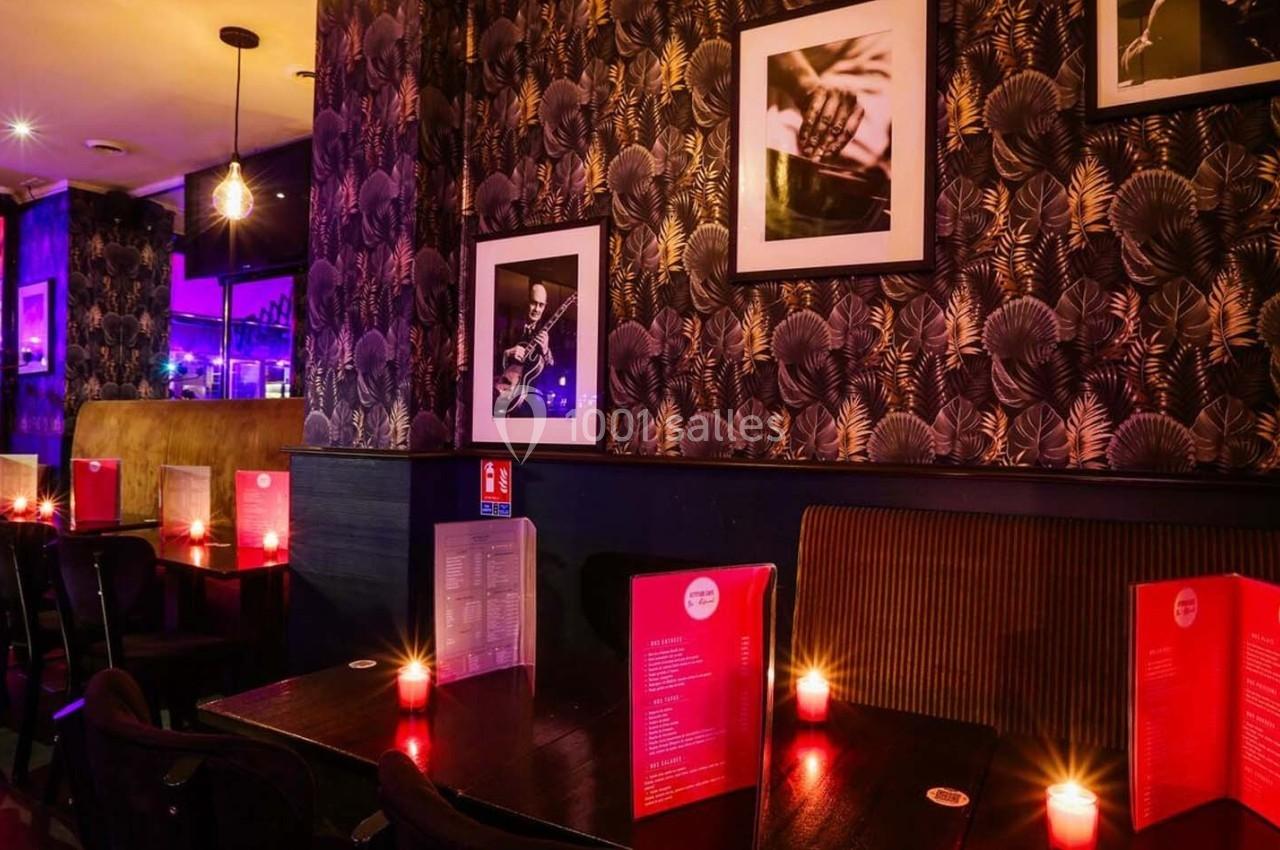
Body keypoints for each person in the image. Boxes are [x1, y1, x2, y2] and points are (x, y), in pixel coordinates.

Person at [495, 282, 556, 416]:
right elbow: (488, 364)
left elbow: (555, 375)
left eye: (541, 305)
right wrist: (506, 354)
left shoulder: (551, 333)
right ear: (526, 302)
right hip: (506, 404)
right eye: (534, 303)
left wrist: (546, 351)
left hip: (534, 409)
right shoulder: (507, 326)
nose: (537, 309)